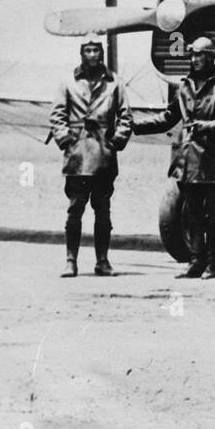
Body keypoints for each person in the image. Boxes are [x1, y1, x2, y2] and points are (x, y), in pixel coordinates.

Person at [133, 36, 215, 279]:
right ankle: (196, 262)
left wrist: (206, 126)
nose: (196, 59)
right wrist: (134, 126)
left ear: (211, 56)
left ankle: (212, 263)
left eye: (201, 55)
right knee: (193, 214)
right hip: (188, 164)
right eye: (193, 55)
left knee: (214, 216)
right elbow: (167, 118)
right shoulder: (184, 87)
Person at [49, 39, 133, 277]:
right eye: (88, 50)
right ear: (81, 53)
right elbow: (57, 116)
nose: (92, 54)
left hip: (103, 156)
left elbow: (125, 116)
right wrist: (66, 140)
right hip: (77, 155)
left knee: (103, 210)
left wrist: (116, 141)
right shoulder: (68, 82)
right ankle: (70, 260)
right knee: (75, 209)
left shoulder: (115, 83)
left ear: (102, 53)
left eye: (96, 50)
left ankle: (103, 261)